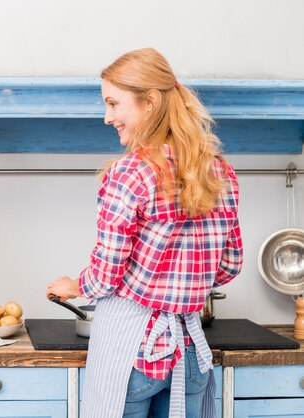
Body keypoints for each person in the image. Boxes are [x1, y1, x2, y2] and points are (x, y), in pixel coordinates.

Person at [46, 48, 243, 418]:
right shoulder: (222, 172)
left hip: (133, 355)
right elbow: (230, 266)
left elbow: (107, 274)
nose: (107, 117)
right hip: (188, 353)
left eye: (113, 104)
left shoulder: (130, 172)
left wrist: (74, 285)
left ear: (150, 101)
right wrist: (180, 284)